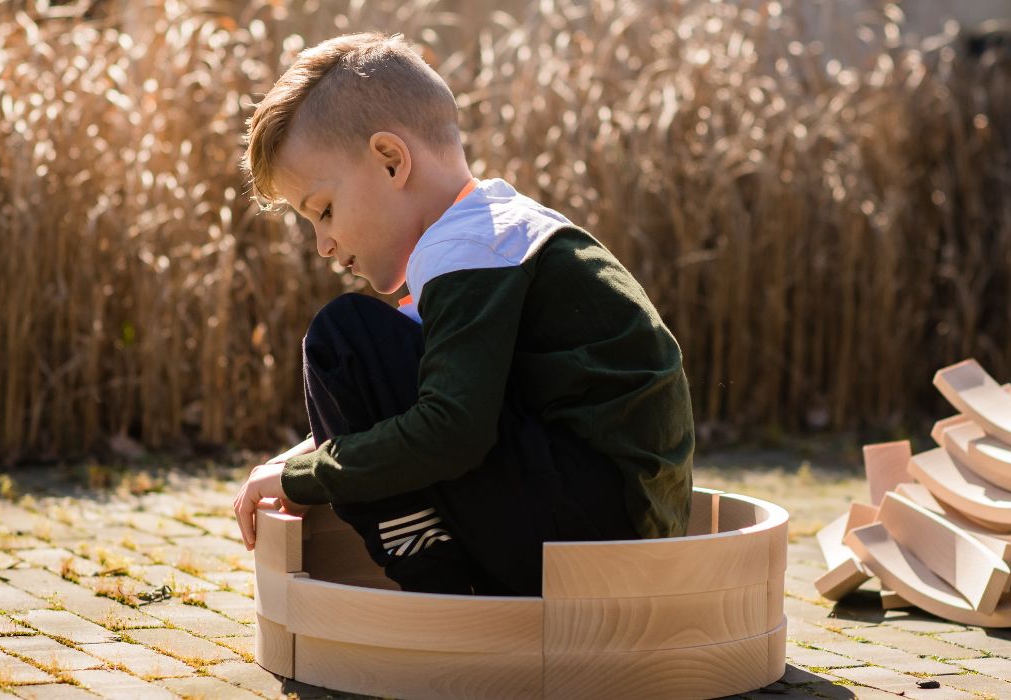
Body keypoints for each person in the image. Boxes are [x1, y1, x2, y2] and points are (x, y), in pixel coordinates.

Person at [231, 32, 693, 596]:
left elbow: (451, 431)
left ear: (390, 160)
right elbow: (443, 399)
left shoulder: (466, 252)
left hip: (586, 535)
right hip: (615, 523)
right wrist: (299, 459)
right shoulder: (490, 235)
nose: (323, 245)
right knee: (373, 350)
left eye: (323, 211)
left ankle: (437, 582)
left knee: (344, 338)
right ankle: (448, 570)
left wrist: (305, 479)